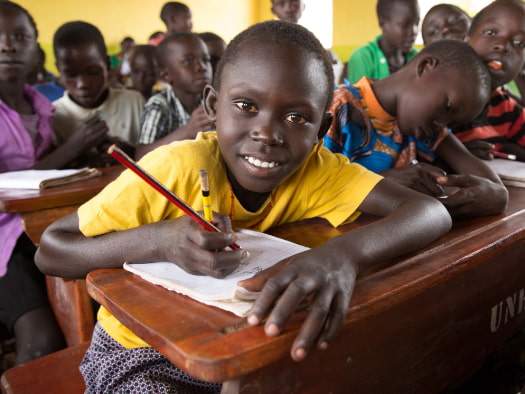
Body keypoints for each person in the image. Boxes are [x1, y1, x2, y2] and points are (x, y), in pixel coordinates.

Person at [35, 20, 452, 392]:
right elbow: (52, 249)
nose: (267, 134)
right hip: (141, 353)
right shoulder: (177, 168)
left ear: (322, 128)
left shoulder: (316, 168)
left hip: (242, 342)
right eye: (246, 106)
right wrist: (160, 241)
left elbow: (430, 212)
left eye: (295, 118)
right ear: (213, 106)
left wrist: (340, 257)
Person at [0, 1, 112, 366]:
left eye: (20, 37)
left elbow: (51, 181)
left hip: (49, 233)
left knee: (97, 318)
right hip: (5, 248)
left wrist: (86, 160)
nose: (8, 45)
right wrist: (71, 150)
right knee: (42, 342)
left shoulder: (43, 110)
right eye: (0, 38)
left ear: (36, 51)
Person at [324, 39, 509, 219]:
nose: (442, 124)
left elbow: (494, 188)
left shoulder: (421, 126)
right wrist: (381, 183)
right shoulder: (337, 107)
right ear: (425, 66)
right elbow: (307, 188)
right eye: (447, 106)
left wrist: (498, 197)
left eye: (452, 121)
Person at [52, 21, 145, 167]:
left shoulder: (134, 102)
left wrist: (126, 150)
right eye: (71, 75)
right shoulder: (53, 116)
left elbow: (155, 157)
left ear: (107, 65)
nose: (83, 84)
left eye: (93, 72)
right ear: (59, 70)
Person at [452, 0, 525, 162]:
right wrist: (452, 154)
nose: (503, 46)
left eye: (519, 43)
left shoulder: (507, 109)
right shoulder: (436, 100)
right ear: (465, 41)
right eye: (491, 33)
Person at [135, 32, 213, 159]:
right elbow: (141, 155)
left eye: (206, 60)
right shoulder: (160, 105)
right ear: (166, 75)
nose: (201, 67)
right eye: (188, 61)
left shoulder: (213, 101)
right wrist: (187, 131)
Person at [347, 0, 420, 84]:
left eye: (417, 23)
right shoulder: (363, 58)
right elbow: (358, 96)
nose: (414, 31)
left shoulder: (418, 57)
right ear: (382, 22)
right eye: (404, 25)